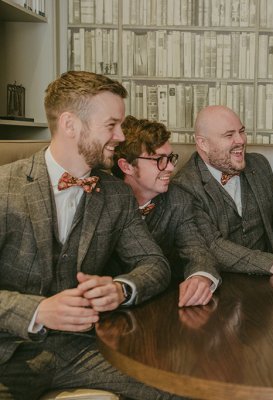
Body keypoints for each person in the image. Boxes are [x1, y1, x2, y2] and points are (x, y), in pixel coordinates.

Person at [0, 71, 173, 398]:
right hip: (7, 353)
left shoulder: (116, 195)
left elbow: (155, 264)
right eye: (111, 125)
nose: (121, 136)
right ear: (70, 124)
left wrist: (121, 289)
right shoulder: (3, 187)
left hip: (83, 349)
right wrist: (37, 312)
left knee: (175, 388)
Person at [173, 105, 273, 277]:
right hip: (223, 281)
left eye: (242, 131)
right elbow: (213, 246)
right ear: (203, 143)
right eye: (229, 135)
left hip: (270, 278)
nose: (240, 140)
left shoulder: (259, 164)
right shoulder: (185, 186)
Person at [113, 115, 221, 307]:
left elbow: (197, 250)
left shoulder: (178, 198)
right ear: (126, 166)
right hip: (103, 308)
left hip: (161, 304)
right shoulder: (104, 199)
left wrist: (201, 277)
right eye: (159, 160)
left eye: (170, 158)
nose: (171, 167)